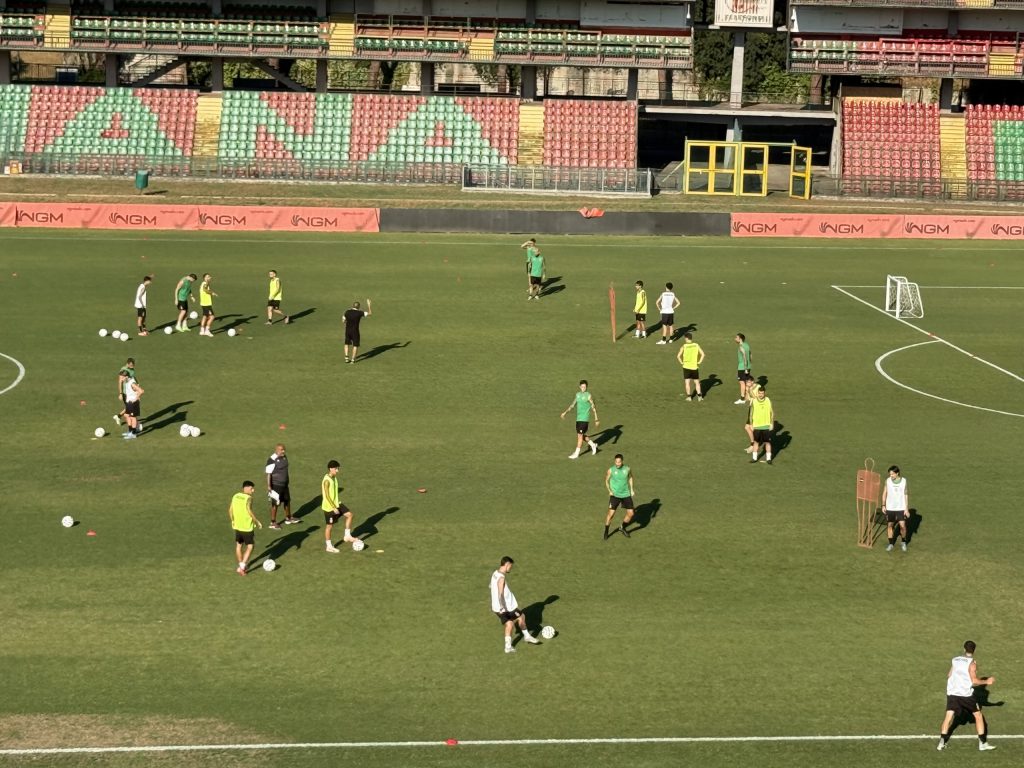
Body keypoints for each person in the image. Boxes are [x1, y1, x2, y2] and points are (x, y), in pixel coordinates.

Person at [937, 640, 996, 751]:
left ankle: (941, 743)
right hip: (965, 695)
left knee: (948, 717)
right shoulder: (972, 663)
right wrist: (987, 681)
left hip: (952, 693)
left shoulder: (955, 660)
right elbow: (974, 681)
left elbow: (949, 675)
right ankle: (982, 743)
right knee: (978, 716)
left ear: (964, 649)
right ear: (974, 650)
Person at [489, 556, 540, 653]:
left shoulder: (495, 573)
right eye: (510, 566)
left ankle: (514, 643)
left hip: (498, 607)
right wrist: (502, 606)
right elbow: (500, 594)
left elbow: (491, 585)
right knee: (516, 620)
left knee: (515, 620)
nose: (510, 568)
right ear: (507, 564)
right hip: (505, 607)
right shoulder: (501, 578)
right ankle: (522, 639)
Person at [321, 459, 359, 553]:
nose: (337, 470)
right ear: (330, 469)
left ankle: (347, 536)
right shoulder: (327, 481)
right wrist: (333, 507)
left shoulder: (334, 477)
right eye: (336, 469)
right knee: (329, 526)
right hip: (329, 507)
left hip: (337, 503)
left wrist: (336, 505)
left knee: (350, 515)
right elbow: (326, 495)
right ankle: (329, 546)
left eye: (338, 468)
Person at [228, 480, 262, 576]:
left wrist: (232, 521)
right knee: (250, 546)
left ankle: (240, 566)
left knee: (239, 546)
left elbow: (230, 510)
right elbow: (249, 511)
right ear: (246, 488)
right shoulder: (248, 498)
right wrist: (257, 521)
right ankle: (242, 567)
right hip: (247, 527)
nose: (253, 490)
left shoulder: (235, 496)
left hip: (237, 526)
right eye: (251, 488)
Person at [560, 379, 599, 459]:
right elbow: (573, 405)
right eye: (582, 387)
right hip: (578, 419)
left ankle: (576, 454)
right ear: (579, 387)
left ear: (586, 387)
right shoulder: (577, 395)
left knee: (580, 436)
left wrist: (596, 419)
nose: (583, 388)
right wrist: (565, 412)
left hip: (584, 419)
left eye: (585, 387)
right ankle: (593, 445)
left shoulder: (588, 395)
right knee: (580, 435)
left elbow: (593, 407)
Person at [604, 453, 637, 540]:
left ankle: (622, 527)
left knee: (631, 513)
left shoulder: (627, 469)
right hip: (615, 495)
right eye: (616, 462)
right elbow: (606, 480)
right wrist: (610, 491)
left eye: (619, 462)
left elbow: (630, 478)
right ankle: (606, 531)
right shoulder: (611, 470)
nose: (617, 464)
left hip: (626, 494)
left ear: (622, 462)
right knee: (610, 515)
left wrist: (632, 489)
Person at [265, 443, 297, 529]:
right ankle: (273, 522)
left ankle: (288, 518)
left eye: (284, 449)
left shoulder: (284, 457)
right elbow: (268, 474)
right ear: (277, 450)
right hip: (276, 485)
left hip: (285, 484)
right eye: (281, 450)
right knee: (275, 504)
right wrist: (269, 486)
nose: (283, 451)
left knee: (287, 500)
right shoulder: (272, 460)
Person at [882, 465, 910, 552]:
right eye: (890, 474)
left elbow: (905, 495)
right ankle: (890, 543)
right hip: (890, 508)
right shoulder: (887, 481)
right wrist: (883, 505)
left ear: (897, 473)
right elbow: (884, 493)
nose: (891, 476)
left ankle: (903, 542)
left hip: (901, 507)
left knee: (902, 526)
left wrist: (906, 508)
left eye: (892, 474)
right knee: (890, 526)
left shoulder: (904, 481)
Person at [748, 386, 774, 464]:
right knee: (756, 442)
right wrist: (751, 424)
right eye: (759, 393)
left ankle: (769, 459)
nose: (760, 395)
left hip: (766, 425)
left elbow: (771, 412)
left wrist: (771, 423)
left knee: (767, 442)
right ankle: (754, 458)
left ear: (764, 393)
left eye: (762, 393)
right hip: (757, 426)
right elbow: (751, 414)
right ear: (758, 393)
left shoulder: (768, 400)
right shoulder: (754, 401)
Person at [677, 331, 705, 401]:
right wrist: (699, 362)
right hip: (694, 367)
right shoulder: (696, 345)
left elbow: (678, 356)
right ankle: (699, 396)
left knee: (687, 382)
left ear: (686, 338)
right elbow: (703, 354)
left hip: (686, 367)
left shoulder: (684, 346)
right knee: (697, 382)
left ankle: (689, 397)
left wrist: (682, 363)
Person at [343, 299, 372, 363]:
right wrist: (369, 305)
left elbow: (343, 321)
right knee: (355, 345)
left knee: (346, 344)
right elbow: (370, 314)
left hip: (347, 331)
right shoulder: (359, 313)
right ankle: (353, 360)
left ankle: (346, 358)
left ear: (352, 306)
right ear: (358, 307)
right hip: (355, 331)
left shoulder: (347, 312)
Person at [121, 368, 144, 439]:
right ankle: (130, 431)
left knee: (133, 417)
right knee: (126, 415)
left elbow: (141, 391)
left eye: (122, 377)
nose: (121, 379)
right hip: (129, 402)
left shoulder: (132, 383)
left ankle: (133, 434)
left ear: (126, 377)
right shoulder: (127, 382)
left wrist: (136, 399)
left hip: (133, 402)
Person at [113, 357, 136, 426]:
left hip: (131, 391)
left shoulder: (131, 369)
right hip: (126, 393)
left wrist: (136, 383)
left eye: (133, 365)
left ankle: (118, 416)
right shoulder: (124, 371)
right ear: (128, 364)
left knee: (130, 407)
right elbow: (120, 382)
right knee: (131, 408)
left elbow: (132, 376)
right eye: (131, 365)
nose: (132, 366)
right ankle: (132, 425)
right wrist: (120, 393)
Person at [734, 333, 753, 404]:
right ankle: (748, 397)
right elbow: (750, 354)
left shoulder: (741, 346)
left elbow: (744, 356)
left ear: (740, 339)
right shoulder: (747, 345)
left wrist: (745, 368)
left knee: (742, 382)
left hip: (742, 367)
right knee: (747, 382)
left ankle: (742, 399)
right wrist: (749, 364)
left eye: (736, 337)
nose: (735, 339)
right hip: (748, 366)